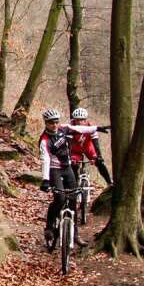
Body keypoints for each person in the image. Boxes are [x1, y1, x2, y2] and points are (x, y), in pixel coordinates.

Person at [38, 108, 107, 251]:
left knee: (73, 199)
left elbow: (79, 128)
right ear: (46, 123)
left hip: (67, 168)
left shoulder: (64, 129)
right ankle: (49, 227)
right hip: (54, 170)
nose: (54, 125)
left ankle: (75, 235)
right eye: (51, 123)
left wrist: (97, 128)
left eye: (56, 122)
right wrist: (45, 180)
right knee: (60, 198)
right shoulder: (45, 140)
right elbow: (45, 160)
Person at [68, 107, 112, 187]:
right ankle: (74, 185)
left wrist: (99, 156)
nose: (79, 122)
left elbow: (96, 142)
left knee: (100, 162)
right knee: (73, 165)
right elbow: (68, 144)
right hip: (75, 150)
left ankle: (109, 182)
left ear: (86, 120)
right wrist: (69, 156)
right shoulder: (70, 127)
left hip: (88, 148)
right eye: (77, 120)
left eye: (82, 120)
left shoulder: (90, 126)